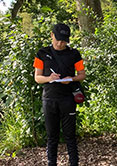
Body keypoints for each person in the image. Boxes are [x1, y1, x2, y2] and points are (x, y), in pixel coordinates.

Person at [33, 23, 86, 166]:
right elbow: (37, 78)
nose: (60, 43)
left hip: (67, 99)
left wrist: (71, 79)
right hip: (49, 99)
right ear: (52, 35)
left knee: (70, 136)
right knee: (52, 137)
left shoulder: (74, 54)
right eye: (58, 39)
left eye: (64, 40)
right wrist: (49, 78)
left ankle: (74, 163)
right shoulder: (42, 53)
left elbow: (82, 75)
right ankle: (51, 163)